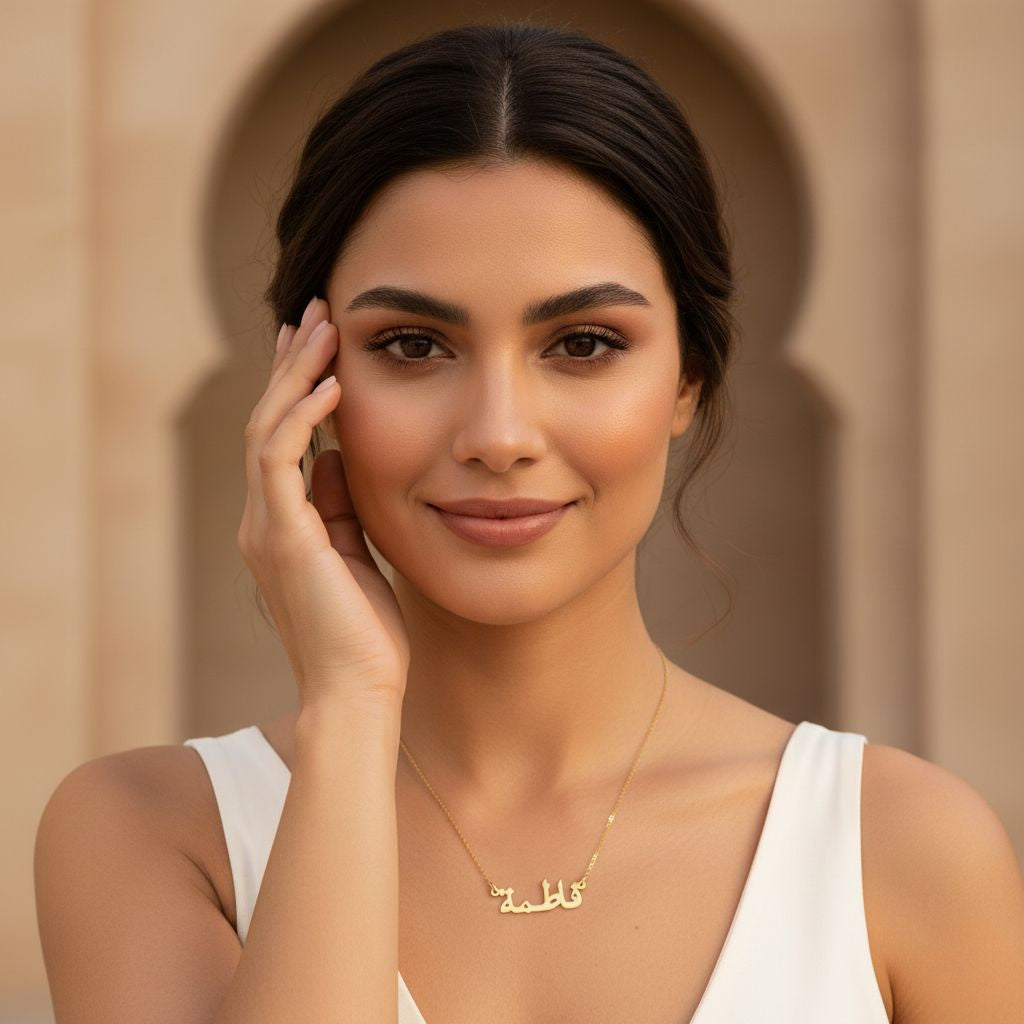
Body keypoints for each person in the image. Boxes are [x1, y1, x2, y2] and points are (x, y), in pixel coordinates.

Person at [34, 20, 1024, 1024]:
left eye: (584, 342)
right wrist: (348, 711)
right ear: (311, 378)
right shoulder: (147, 833)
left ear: (687, 376)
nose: (498, 434)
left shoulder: (903, 852)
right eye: (414, 345)